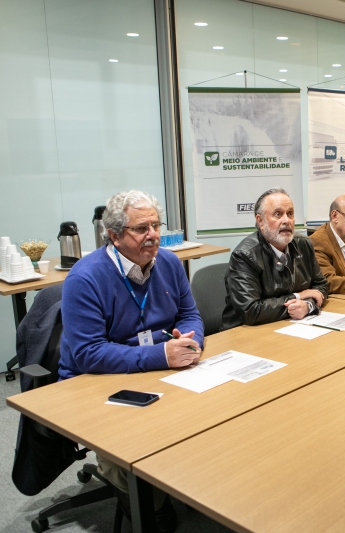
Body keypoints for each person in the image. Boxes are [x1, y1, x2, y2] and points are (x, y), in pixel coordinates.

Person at [59, 190, 204, 532]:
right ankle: (139, 498)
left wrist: (190, 338)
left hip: (157, 367)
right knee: (127, 455)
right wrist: (160, 354)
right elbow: (87, 353)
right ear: (114, 235)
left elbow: (190, 314)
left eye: (156, 225)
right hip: (95, 381)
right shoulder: (85, 278)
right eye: (142, 228)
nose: (153, 235)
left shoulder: (168, 262)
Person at [221, 188, 328, 330]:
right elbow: (251, 310)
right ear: (260, 221)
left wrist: (307, 305)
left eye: (290, 214)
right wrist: (298, 296)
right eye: (278, 214)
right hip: (246, 332)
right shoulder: (245, 255)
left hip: (289, 326)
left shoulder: (303, 244)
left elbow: (321, 285)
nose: (286, 220)